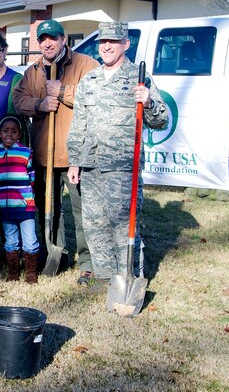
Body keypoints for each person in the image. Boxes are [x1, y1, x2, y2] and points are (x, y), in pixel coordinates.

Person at [68, 21, 168, 291]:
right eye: (103, 42)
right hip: (91, 164)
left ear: (126, 44)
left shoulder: (138, 77)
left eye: (113, 41)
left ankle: (128, 277)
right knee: (94, 222)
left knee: (122, 224)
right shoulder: (89, 80)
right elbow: (79, 123)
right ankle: (104, 276)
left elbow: (161, 121)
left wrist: (148, 101)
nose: (107, 46)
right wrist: (75, 160)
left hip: (122, 165)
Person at [12, 19, 100, 285]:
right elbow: (18, 101)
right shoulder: (34, 71)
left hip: (76, 157)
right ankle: (55, 253)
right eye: (42, 39)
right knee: (49, 209)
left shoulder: (85, 65)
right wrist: (40, 104)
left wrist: (62, 91)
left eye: (52, 37)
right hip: (44, 156)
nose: (47, 43)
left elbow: (96, 96)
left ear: (64, 39)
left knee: (83, 211)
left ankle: (88, 263)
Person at [0, 116, 39, 284]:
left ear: (19, 135)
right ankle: (13, 272)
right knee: (11, 240)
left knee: (30, 240)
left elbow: (32, 177)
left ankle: (31, 273)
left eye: (14, 131)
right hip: (4, 206)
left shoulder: (25, 152)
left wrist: (29, 198)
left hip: (25, 206)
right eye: (5, 131)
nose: (9, 134)